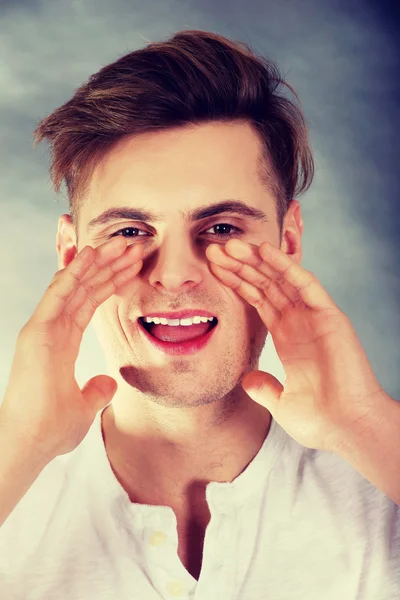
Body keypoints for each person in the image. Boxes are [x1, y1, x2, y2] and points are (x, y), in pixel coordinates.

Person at [0, 29, 398, 599]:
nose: (174, 274)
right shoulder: (11, 482)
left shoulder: (382, 477)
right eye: (131, 231)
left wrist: (367, 424)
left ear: (288, 242)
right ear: (70, 255)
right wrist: (18, 442)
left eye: (220, 229)